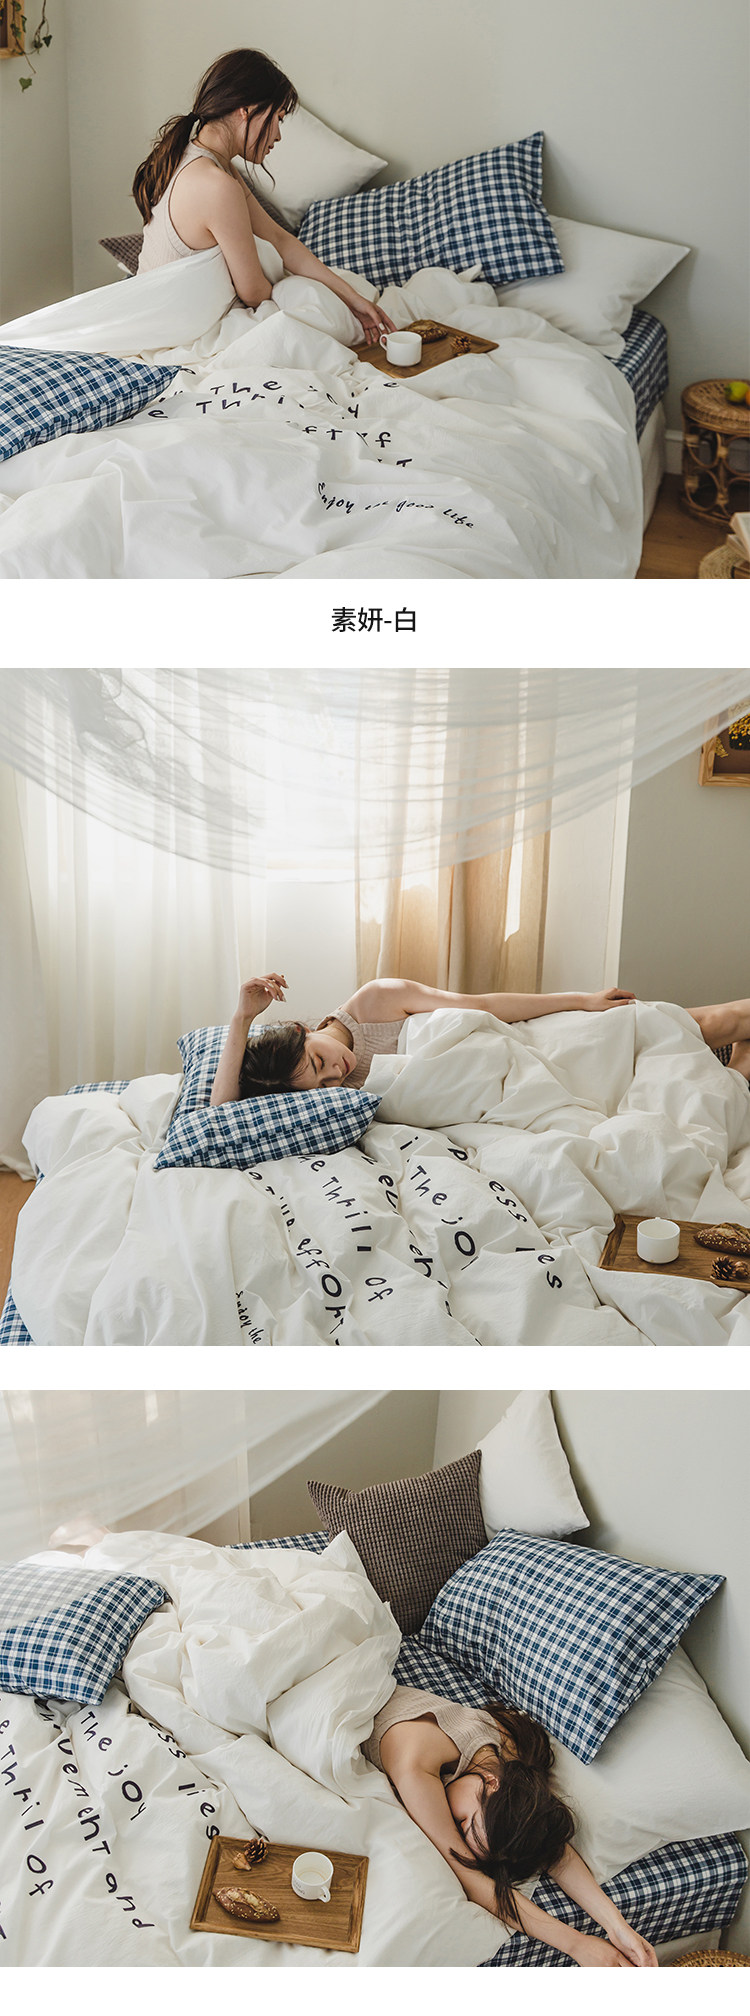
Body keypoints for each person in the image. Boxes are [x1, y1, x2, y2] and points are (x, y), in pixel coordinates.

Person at [363, 1687, 657, 1967]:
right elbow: (470, 1879)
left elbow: (549, 1845)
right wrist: (576, 1945)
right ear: (492, 1784)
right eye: (464, 1822)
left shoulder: (507, 1768)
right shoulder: (416, 1765)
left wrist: (617, 1926)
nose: (453, 1825)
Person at [132, 48, 395, 341]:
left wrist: (352, 298)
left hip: (161, 314)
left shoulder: (204, 161)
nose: (278, 135)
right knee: (315, 309)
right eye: (278, 118)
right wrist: (290, 290)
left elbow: (279, 238)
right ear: (245, 109)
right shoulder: (215, 184)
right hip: (173, 328)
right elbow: (254, 293)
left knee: (330, 295)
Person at [209, 974, 639, 1103]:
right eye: (324, 1084)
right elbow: (219, 1115)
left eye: (320, 1062)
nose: (336, 1075)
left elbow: (481, 1005)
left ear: (302, 1032)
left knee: (632, 1030)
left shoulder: (377, 1000)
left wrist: (581, 1000)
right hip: (485, 1084)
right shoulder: (316, 1093)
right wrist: (241, 1020)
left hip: (515, 1041)